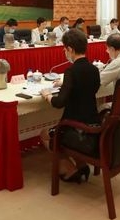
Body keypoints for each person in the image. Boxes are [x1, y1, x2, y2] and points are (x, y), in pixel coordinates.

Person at [40, 29, 99, 183]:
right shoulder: (94, 69)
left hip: (75, 127)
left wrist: (47, 95)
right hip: (93, 123)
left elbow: (59, 103)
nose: (64, 52)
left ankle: (70, 170)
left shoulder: (71, 71)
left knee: (45, 134)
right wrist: (66, 84)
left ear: (70, 49)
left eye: (64, 49)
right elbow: (86, 89)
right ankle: (81, 165)